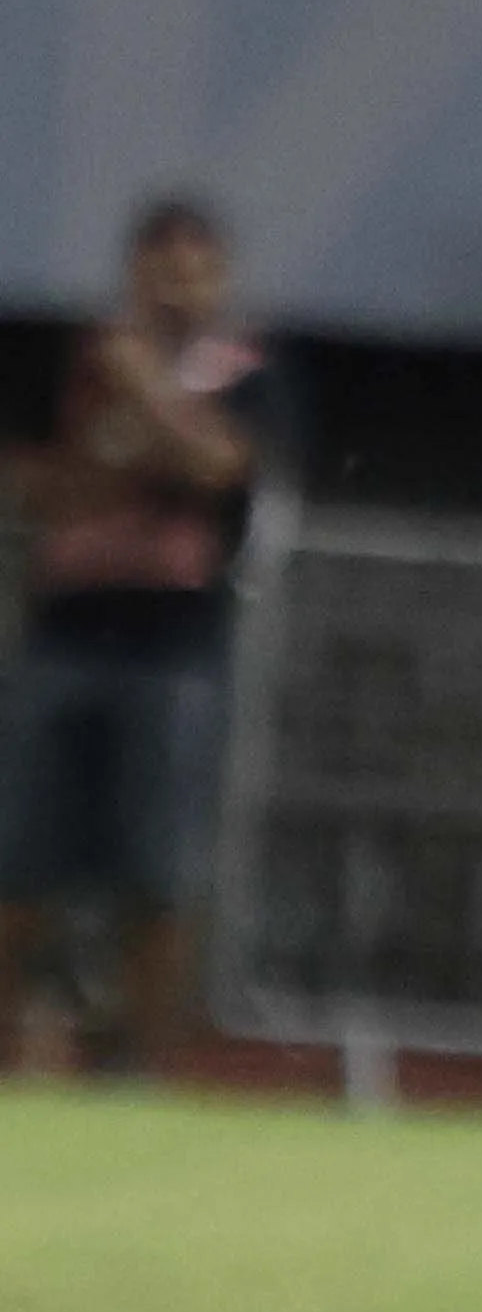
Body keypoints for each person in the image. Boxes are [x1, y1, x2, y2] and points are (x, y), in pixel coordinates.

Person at [3, 195, 285, 1075]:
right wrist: (134, 453)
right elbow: (36, 482)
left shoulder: (248, 372)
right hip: (64, 633)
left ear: (222, 278)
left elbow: (222, 465)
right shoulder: (71, 359)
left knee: (159, 869)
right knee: (19, 856)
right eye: (160, 265)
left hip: (175, 648)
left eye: (195, 268)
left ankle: (136, 1064)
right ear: (132, 271)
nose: (176, 285)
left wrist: (146, 401)